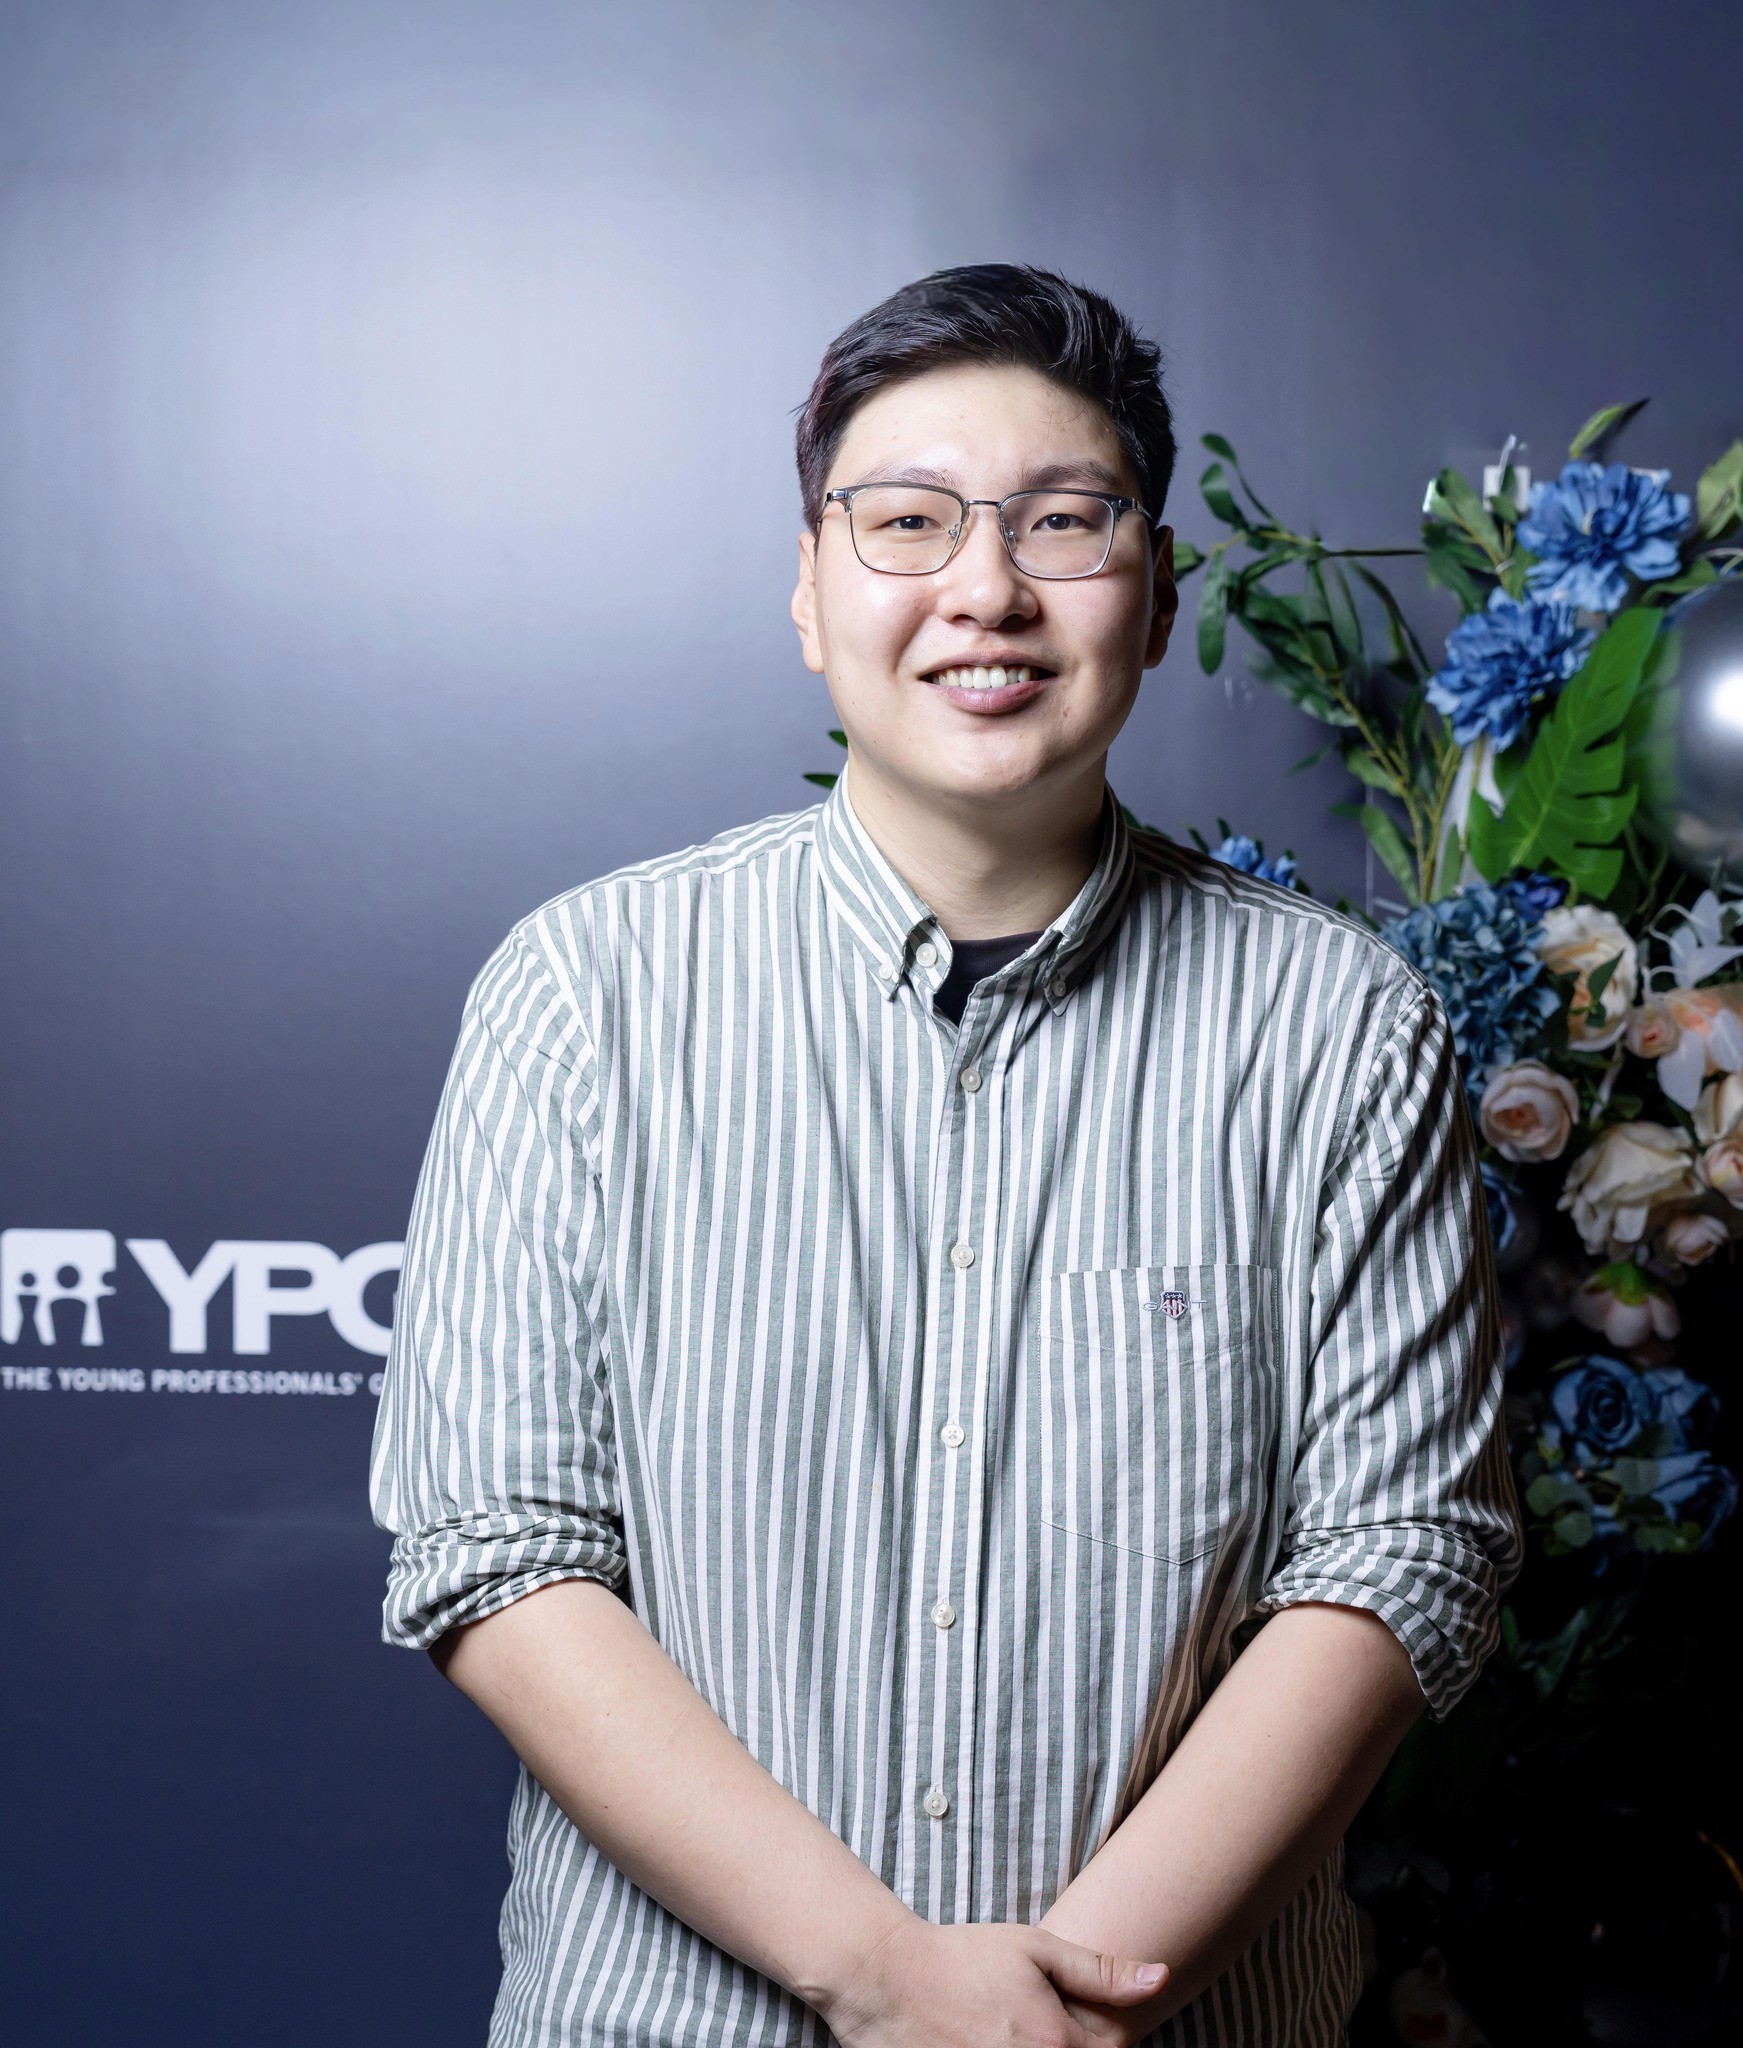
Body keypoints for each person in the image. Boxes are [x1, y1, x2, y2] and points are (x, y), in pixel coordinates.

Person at [369, 262, 1522, 2048]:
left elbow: (1398, 1560)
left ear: (1157, 596)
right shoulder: (586, 992)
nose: (986, 588)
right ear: (809, 592)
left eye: (1064, 521)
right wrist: (890, 1979)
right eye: (907, 522)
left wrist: (1057, 2012)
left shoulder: (1340, 1028)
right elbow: (497, 1550)